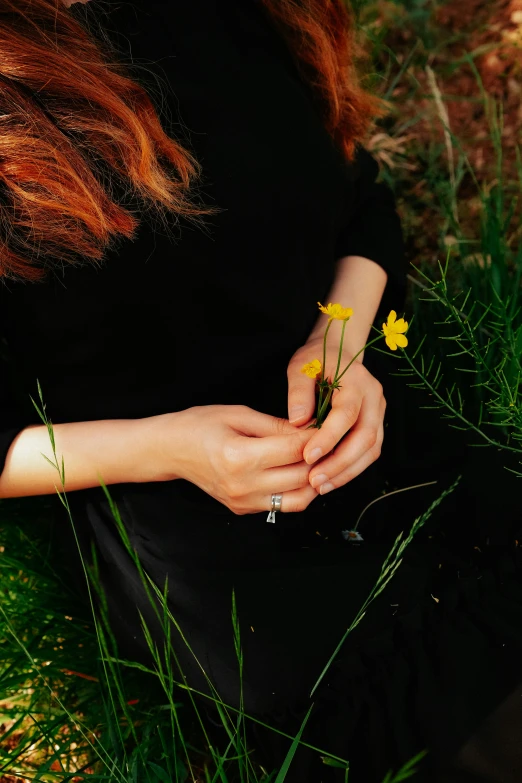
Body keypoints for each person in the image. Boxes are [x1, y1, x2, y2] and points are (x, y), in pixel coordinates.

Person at [2, 1, 522, 781]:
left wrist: (342, 341)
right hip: (203, 529)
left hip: (384, 422)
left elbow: (354, 196)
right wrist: (171, 447)